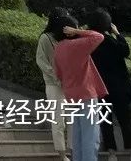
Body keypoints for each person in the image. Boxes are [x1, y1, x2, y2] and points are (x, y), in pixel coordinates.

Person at [85, 9, 131, 157]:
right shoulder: (111, 41)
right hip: (119, 88)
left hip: (100, 88)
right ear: (107, 24)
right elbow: (126, 51)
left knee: (105, 122)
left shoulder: (90, 43)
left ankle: (111, 152)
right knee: (125, 121)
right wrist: (117, 33)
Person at [54, 20, 108, 161]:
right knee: (90, 137)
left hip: (71, 96)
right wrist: (78, 32)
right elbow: (99, 36)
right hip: (87, 95)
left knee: (77, 137)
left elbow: (58, 74)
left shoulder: (59, 47)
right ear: (70, 30)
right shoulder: (77, 45)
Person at [36, 9, 74, 158]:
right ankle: (62, 153)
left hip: (70, 84)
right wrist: (55, 74)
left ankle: (71, 149)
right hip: (54, 84)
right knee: (58, 120)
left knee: (71, 119)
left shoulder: (67, 38)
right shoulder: (45, 38)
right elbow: (41, 60)